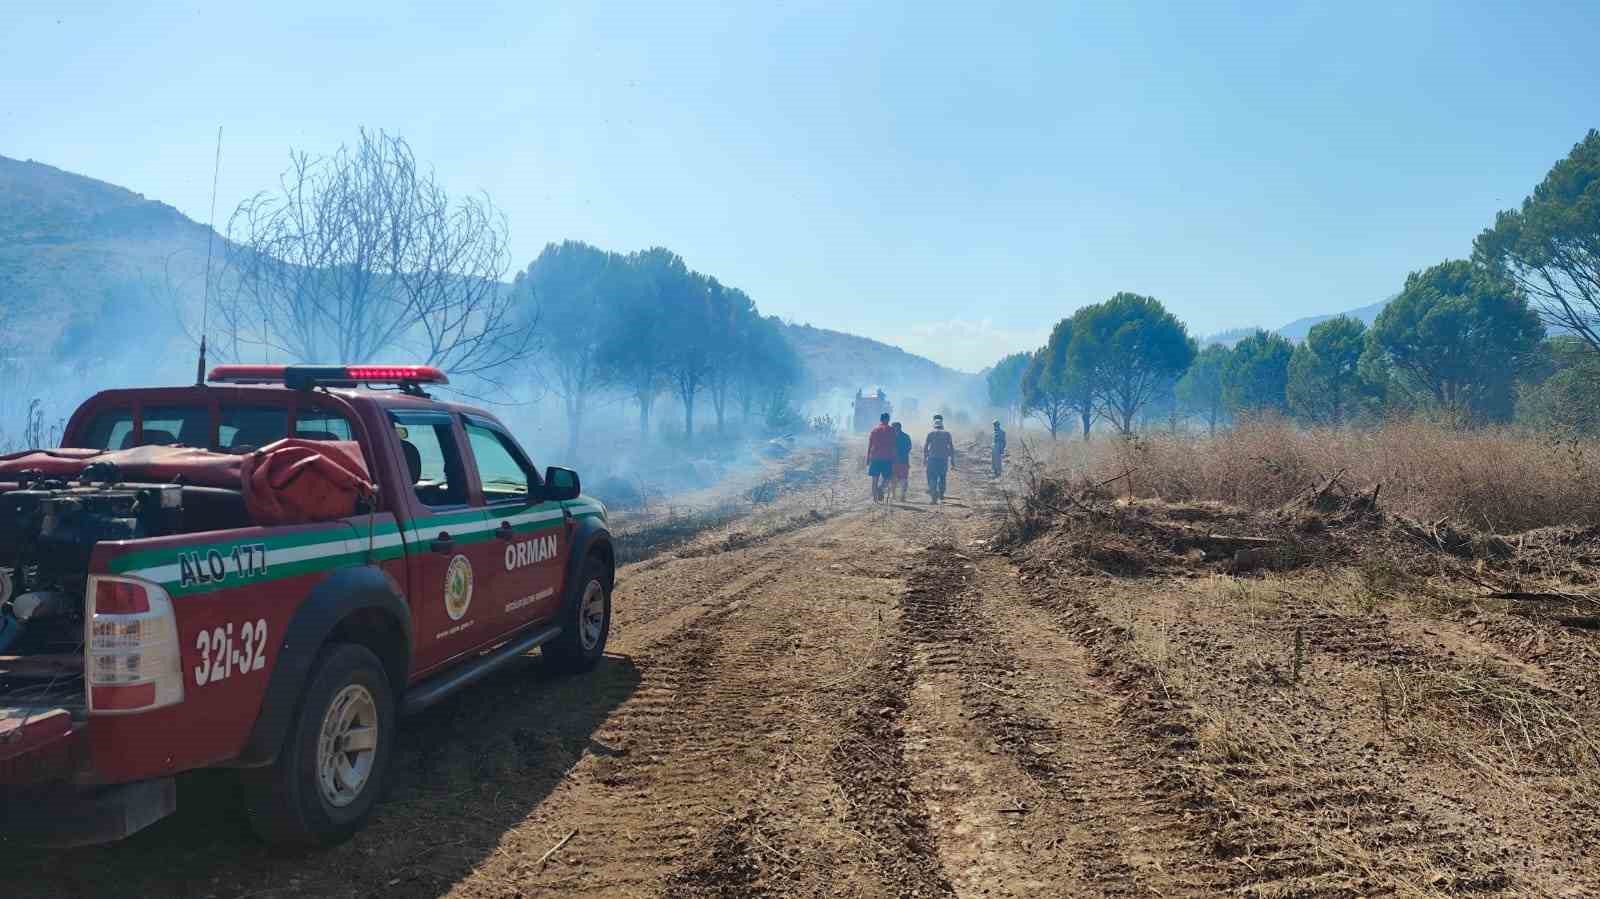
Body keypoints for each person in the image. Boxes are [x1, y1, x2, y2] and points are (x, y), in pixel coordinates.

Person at [923, 414, 956, 503]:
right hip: (943, 459)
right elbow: (951, 447)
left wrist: (925, 458)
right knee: (942, 476)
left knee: (932, 476)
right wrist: (952, 460)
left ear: (934, 426)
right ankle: (941, 493)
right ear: (942, 425)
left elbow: (926, 447)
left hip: (932, 459)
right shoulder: (947, 434)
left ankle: (933, 494)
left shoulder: (930, 433)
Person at [866, 412, 896, 502]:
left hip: (875, 458)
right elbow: (894, 445)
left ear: (880, 419)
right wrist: (894, 458)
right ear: (888, 419)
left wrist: (868, 458)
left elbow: (870, 445)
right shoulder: (891, 430)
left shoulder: (875, 430)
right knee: (887, 478)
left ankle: (875, 500)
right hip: (887, 458)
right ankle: (881, 488)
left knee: (874, 479)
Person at [891, 421, 913, 501]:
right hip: (904, 460)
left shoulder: (891, 437)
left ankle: (894, 495)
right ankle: (902, 496)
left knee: (894, 478)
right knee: (903, 478)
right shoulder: (906, 436)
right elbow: (909, 448)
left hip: (894, 461)